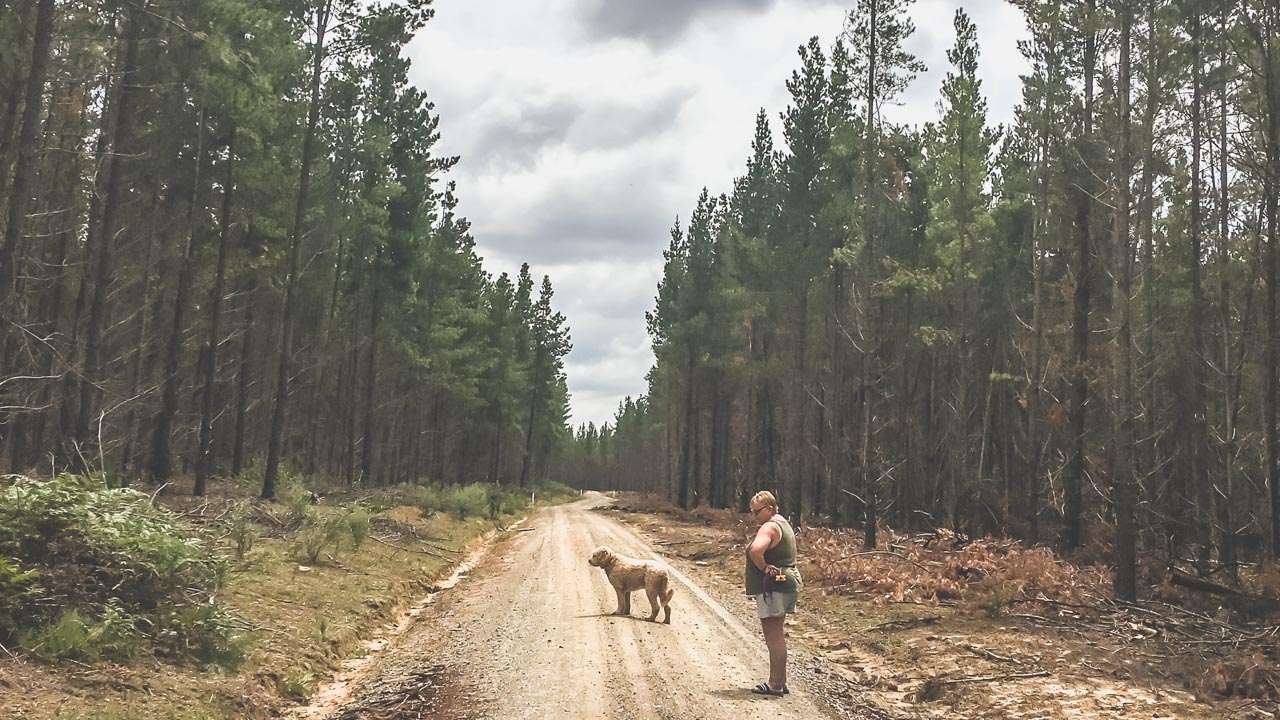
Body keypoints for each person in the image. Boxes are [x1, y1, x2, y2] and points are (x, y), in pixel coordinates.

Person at [744, 490, 800, 697]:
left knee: (773, 635)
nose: (754, 516)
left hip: (774, 586)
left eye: (757, 512)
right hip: (786, 582)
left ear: (769, 508)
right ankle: (780, 680)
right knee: (777, 633)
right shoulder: (783, 523)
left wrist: (764, 566)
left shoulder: (769, 526)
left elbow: (756, 550)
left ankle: (775, 683)